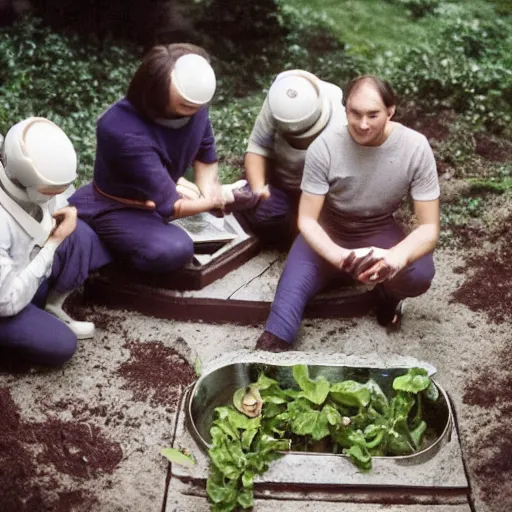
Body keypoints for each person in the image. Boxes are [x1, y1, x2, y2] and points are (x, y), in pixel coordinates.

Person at [256, 75, 440, 352]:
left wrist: (394, 257)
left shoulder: (415, 147)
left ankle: (387, 294)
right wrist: (339, 257)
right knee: (279, 326)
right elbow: (306, 219)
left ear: (390, 111)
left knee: (420, 273)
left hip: (378, 229)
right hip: (328, 230)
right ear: (345, 109)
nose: (363, 124)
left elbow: (429, 228)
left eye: (373, 115)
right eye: (355, 113)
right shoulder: (326, 146)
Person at [69, 43, 244, 273]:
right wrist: (213, 201)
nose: (197, 109)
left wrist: (210, 190)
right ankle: (99, 247)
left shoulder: (195, 98)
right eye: (186, 105)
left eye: (199, 105)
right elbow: (174, 206)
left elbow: (205, 151)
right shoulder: (120, 129)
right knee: (174, 250)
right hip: (119, 205)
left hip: (162, 193)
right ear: (154, 90)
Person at [0, 117, 112, 366]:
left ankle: (48, 307)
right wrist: (53, 243)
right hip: (4, 299)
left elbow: (61, 202)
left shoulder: (15, 153)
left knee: (83, 236)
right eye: (49, 191)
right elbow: (6, 302)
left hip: (23, 265)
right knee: (60, 345)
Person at [241, 69, 347, 243]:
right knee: (264, 216)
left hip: (319, 195)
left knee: (324, 231)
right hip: (279, 184)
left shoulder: (340, 124)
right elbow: (257, 146)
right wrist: (259, 189)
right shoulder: (277, 102)